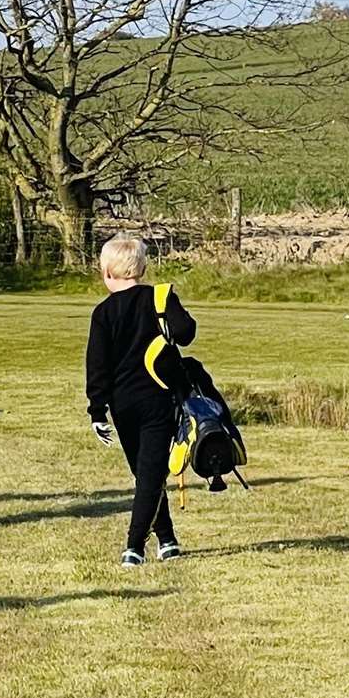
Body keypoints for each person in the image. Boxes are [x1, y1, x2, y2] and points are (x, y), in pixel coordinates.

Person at [85, 234, 196, 566]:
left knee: (146, 474)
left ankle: (136, 546)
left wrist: (97, 409)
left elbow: (97, 366)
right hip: (158, 400)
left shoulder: (102, 313)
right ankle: (164, 539)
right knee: (149, 475)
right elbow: (186, 333)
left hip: (122, 406)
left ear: (106, 273)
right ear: (143, 268)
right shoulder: (159, 298)